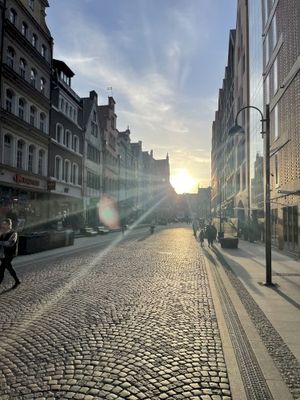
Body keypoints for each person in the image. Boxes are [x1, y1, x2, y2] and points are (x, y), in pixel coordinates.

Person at [0, 218, 20, 289]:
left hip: (10, 254)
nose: (3, 225)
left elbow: (10, 243)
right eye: (2, 224)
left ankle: (17, 281)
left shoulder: (13, 233)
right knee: (9, 267)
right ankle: (17, 281)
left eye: (4, 224)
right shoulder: (2, 232)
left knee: (2, 268)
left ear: (9, 225)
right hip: (2, 254)